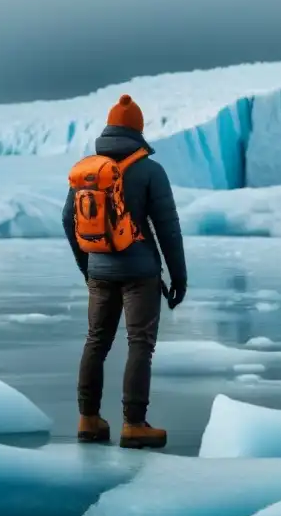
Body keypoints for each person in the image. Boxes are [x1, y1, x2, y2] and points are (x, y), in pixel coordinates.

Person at [63, 94, 188, 449]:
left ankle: (88, 419)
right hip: (140, 273)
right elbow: (167, 227)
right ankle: (134, 424)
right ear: (137, 129)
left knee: (96, 342)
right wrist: (178, 276)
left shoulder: (87, 170)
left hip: (99, 271)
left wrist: (87, 265)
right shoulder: (150, 170)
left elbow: (66, 220)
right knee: (140, 345)